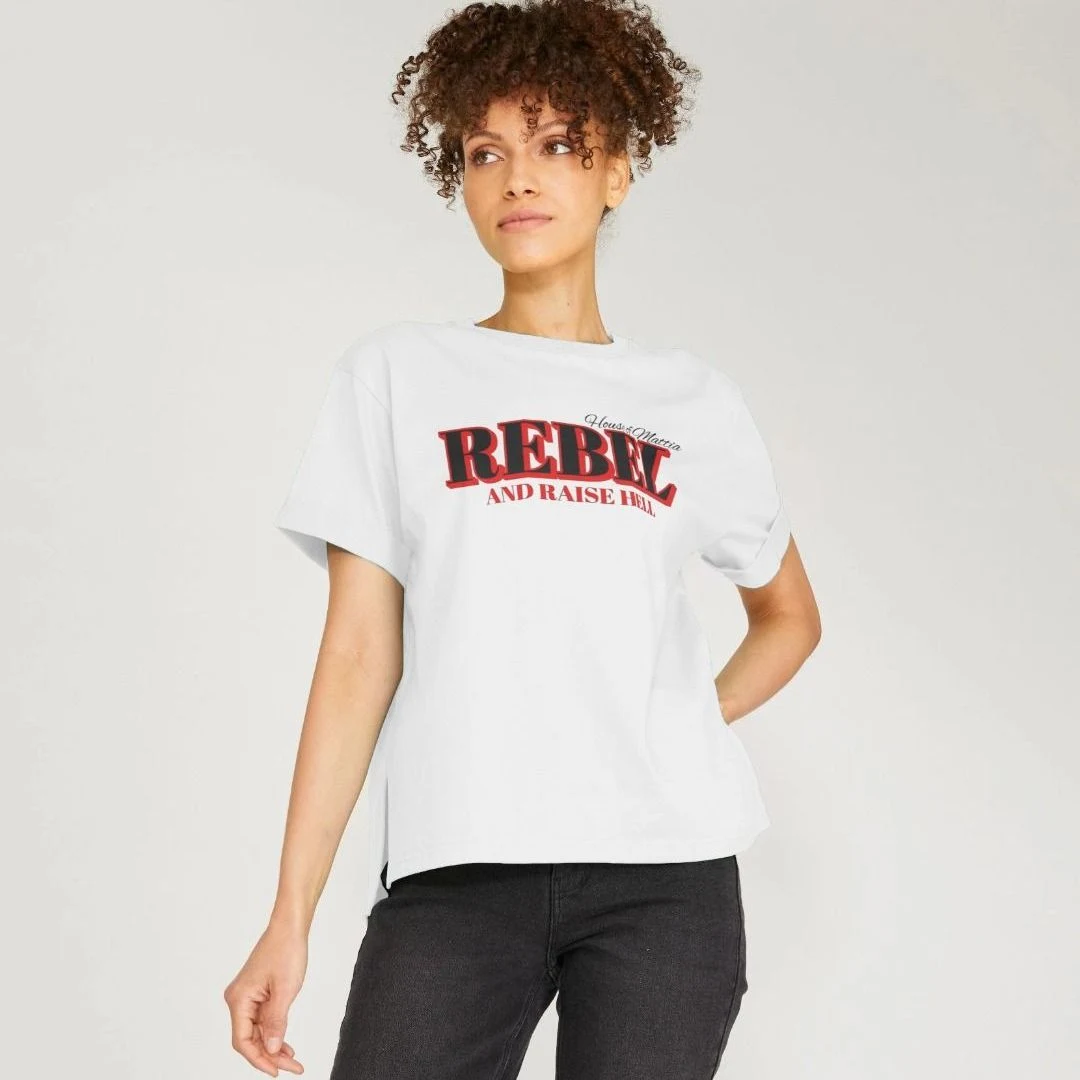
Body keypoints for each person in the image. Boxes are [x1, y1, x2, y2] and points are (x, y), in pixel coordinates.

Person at [223, 1, 821, 1076]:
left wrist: (687, 714)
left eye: (556, 145)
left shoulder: (691, 401)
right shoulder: (398, 377)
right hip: (461, 868)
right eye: (486, 152)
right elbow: (357, 655)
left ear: (617, 171)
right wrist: (288, 916)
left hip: (665, 877)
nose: (517, 179)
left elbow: (788, 617)